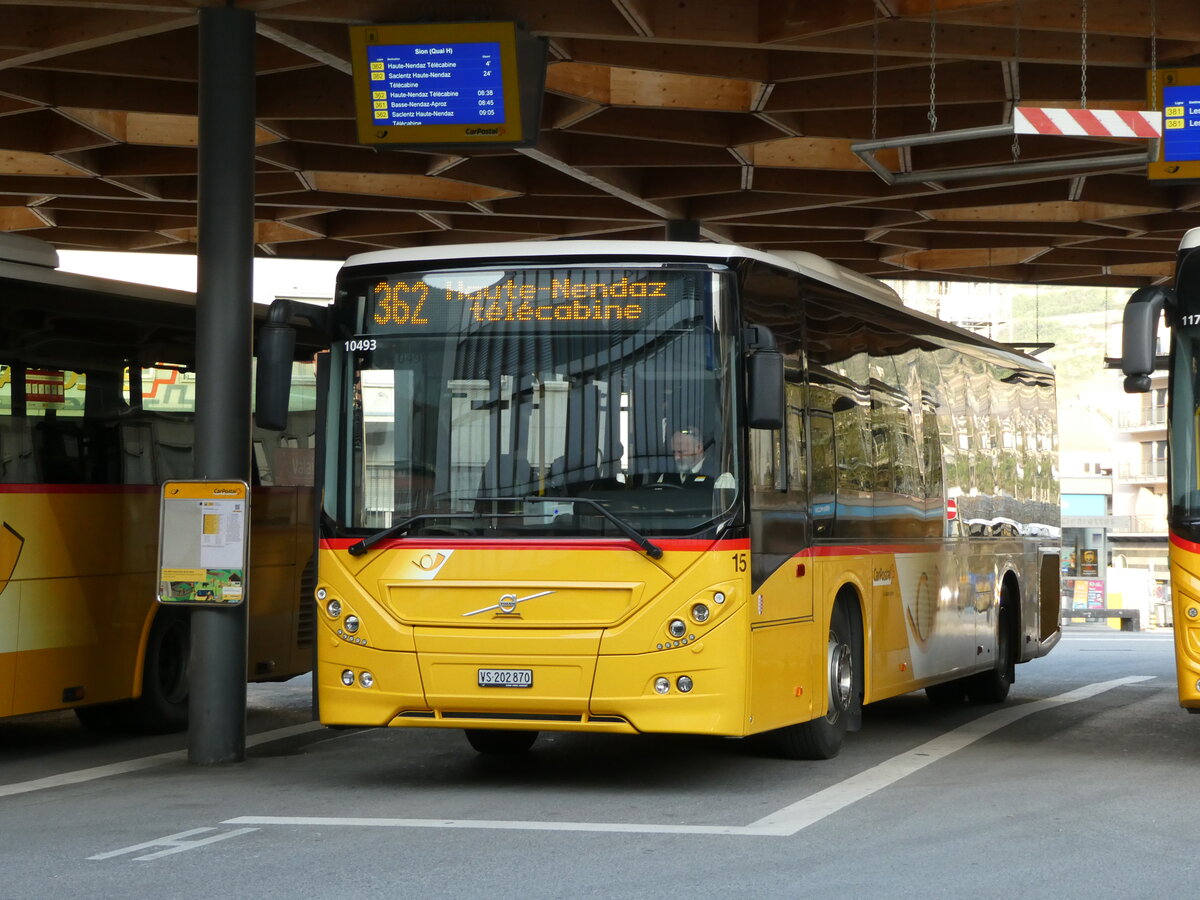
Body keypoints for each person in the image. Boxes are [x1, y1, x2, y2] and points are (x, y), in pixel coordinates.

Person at [663, 427, 735, 489]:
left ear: (699, 448)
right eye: (674, 452)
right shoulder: (666, 476)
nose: (676, 457)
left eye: (681, 452)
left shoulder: (722, 477)